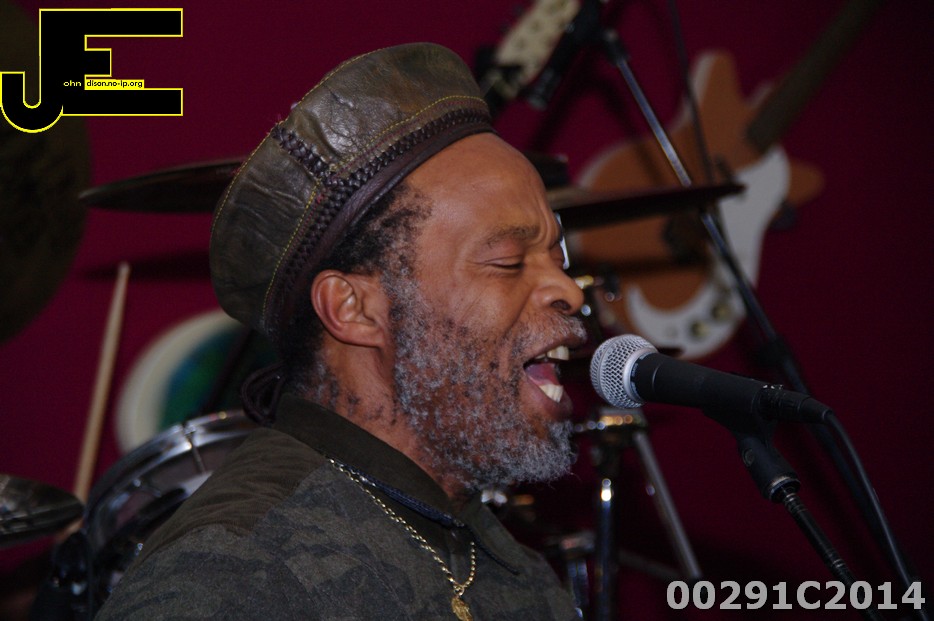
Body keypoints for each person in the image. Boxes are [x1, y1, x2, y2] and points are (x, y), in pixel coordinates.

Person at [96, 42, 587, 620]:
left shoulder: (508, 567)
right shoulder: (232, 574)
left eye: (558, 257)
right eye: (508, 261)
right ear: (353, 309)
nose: (570, 291)